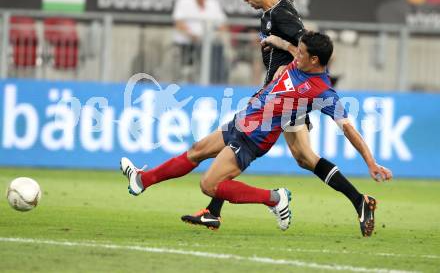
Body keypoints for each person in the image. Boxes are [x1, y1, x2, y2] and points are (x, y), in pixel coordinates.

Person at [120, 31, 393, 237]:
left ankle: (275, 198)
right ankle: (143, 180)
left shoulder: (323, 91)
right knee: (196, 151)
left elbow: (348, 128)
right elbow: (291, 50)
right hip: (242, 120)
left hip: (254, 137)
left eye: (301, 53)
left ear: (315, 60)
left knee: (209, 185)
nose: (295, 56)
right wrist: (276, 38)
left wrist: (370, 162)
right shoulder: (300, 63)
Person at [180, 0, 362, 232]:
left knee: (253, 144)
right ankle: (213, 210)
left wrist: (288, 58)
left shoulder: (280, 15)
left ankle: (354, 200)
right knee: (303, 157)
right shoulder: (276, 6)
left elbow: (305, 42)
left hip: (286, 95)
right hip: (281, 93)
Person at [172, 0, 227, 82]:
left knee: (219, 52)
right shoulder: (184, 1)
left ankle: (216, 82)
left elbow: (222, 25)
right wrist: (194, 36)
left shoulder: (213, 3)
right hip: (187, 43)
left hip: (210, 43)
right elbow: (179, 23)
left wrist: (216, 35)